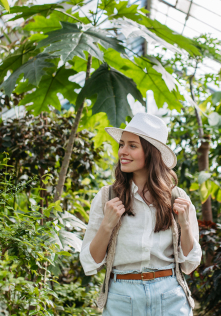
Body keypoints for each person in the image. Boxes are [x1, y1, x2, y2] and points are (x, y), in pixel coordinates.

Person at [80, 112, 202, 315]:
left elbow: (189, 265)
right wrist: (107, 226)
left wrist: (185, 226)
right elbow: (90, 262)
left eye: (132, 146)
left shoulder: (178, 198)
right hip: (122, 298)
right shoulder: (107, 197)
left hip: (170, 296)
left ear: (152, 152)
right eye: (121, 144)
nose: (122, 152)